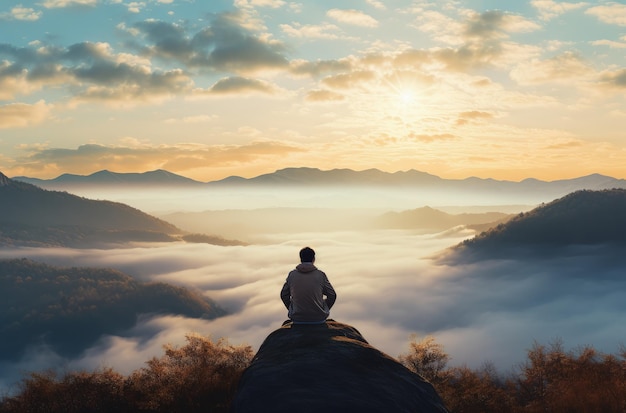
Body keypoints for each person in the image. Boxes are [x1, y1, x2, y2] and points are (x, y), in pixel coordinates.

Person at [280, 246, 337, 324]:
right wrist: (322, 308)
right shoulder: (320, 275)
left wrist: (293, 309)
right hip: (318, 319)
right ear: (314, 259)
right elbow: (332, 295)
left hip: (297, 319)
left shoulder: (292, 275)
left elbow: (284, 295)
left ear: (300, 259)